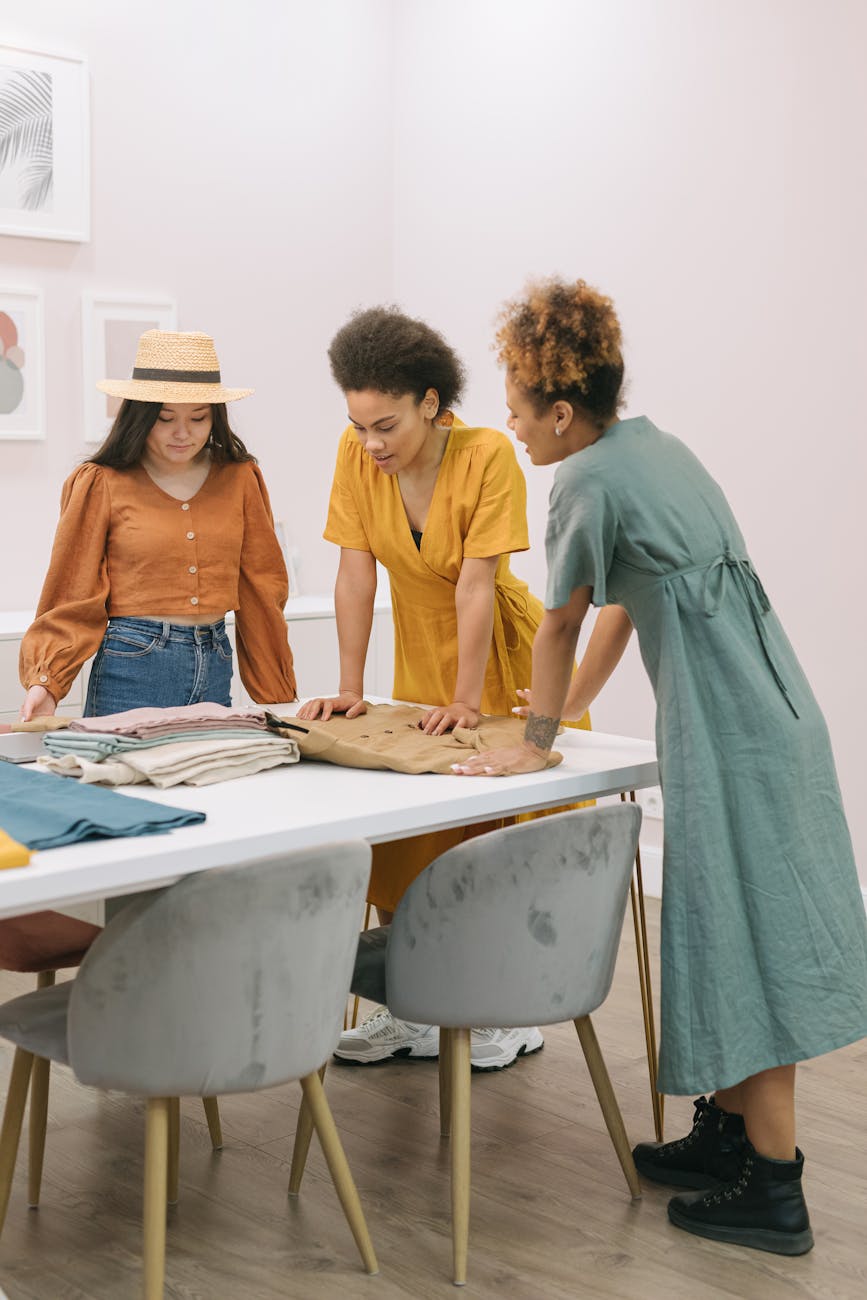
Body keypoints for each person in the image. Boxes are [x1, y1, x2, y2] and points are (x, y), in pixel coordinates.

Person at [454, 278, 867, 1254]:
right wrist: (570, 709)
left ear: (561, 411)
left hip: (731, 731)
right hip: (770, 715)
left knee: (750, 935)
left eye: (516, 406)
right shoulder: (655, 450)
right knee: (722, 922)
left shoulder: (586, 479)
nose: (510, 425)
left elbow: (557, 620)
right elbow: (630, 600)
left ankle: (774, 1188)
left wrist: (537, 740)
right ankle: (726, 1139)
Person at [300, 305, 603, 1071]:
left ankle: (506, 1009)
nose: (371, 443)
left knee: (492, 838)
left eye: (387, 426)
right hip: (417, 660)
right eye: (359, 424)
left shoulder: (486, 454)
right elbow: (353, 570)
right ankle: (414, 1010)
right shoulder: (354, 452)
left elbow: (476, 587)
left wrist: (467, 700)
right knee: (413, 839)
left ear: (431, 404)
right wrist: (348, 689)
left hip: (498, 661)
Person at [19, 329, 296, 721]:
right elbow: (71, 591)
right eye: (165, 418)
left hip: (215, 662)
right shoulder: (102, 482)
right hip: (132, 666)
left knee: (211, 782)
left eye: (198, 418)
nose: (183, 433)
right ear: (141, 415)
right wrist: (46, 682)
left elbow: (262, 590)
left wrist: (277, 693)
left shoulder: (240, 478)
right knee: (119, 782)